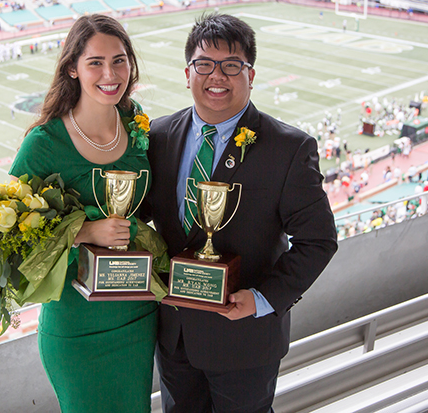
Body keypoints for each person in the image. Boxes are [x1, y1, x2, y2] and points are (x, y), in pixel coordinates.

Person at [142, 14, 338, 412]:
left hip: (244, 339)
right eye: (204, 65)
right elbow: (138, 214)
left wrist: (262, 298)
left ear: (251, 75)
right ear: (187, 73)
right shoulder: (158, 136)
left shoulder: (289, 148)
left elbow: (318, 241)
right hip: (175, 333)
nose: (217, 76)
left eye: (231, 65)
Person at [9, 15, 157, 412]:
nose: (110, 74)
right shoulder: (43, 143)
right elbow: (12, 237)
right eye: (96, 62)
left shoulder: (135, 120)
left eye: (120, 60)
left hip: (137, 313)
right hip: (77, 325)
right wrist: (85, 231)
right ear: (72, 67)